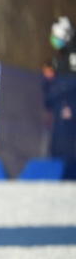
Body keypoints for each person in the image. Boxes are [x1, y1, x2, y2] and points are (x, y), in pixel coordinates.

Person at [42, 16, 76, 166]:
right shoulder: (63, 56)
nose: (54, 41)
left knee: (64, 142)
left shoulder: (71, 56)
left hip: (68, 107)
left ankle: (65, 169)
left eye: (57, 37)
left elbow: (68, 82)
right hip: (62, 106)